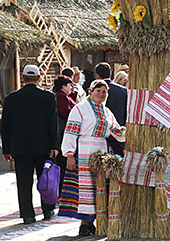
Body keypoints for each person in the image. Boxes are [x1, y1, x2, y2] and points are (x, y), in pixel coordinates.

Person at [58, 80, 126, 236]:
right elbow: (70, 132)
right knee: (85, 189)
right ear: (91, 91)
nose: (101, 94)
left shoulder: (107, 112)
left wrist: (132, 130)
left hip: (102, 150)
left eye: (104, 92)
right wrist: (69, 154)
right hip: (84, 151)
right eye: (98, 91)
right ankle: (84, 224)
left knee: (100, 187)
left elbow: (117, 131)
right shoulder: (80, 109)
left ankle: (98, 221)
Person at [0, 65, 59, 224]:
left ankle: (27, 214)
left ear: (23, 77)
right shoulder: (48, 97)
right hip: (44, 147)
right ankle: (48, 209)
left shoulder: (11, 98)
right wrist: (55, 146)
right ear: (39, 78)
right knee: (45, 179)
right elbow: (53, 124)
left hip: (20, 148)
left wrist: (6, 149)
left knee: (24, 182)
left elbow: (5, 126)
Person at [95, 62, 127, 156]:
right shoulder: (123, 91)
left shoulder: (93, 90)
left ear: (97, 75)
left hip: (100, 133)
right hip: (119, 132)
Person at [52, 75, 76, 193]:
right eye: (69, 85)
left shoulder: (65, 96)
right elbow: (66, 113)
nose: (71, 87)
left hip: (63, 134)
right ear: (63, 86)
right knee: (62, 165)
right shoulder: (61, 97)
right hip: (62, 135)